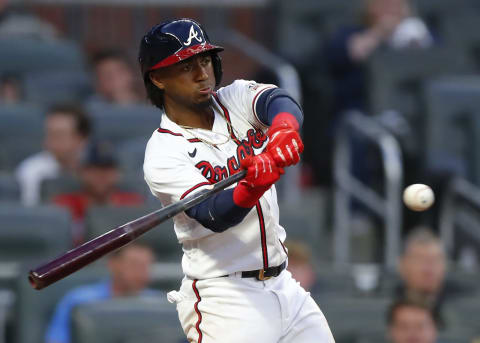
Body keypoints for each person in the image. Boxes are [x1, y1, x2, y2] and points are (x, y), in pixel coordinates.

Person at [140, 18, 335, 342]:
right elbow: (213, 214)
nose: (202, 73)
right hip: (224, 297)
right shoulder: (163, 151)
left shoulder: (234, 98)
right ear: (158, 78)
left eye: (204, 60)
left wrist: (284, 128)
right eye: (186, 65)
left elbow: (278, 101)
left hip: (284, 284)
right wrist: (251, 187)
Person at [45, 242, 155, 343]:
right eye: (134, 265)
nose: (141, 273)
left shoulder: (158, 305)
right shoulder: (79, 301)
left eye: (146, 266)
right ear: (113, 264)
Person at [53, 140, 144, 244]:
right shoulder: (64, 206)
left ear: (118, 173)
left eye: (107, 168)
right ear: (80, 172)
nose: (101, 175)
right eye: (94, 168)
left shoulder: (133, 204)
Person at [15, 104, 90, 206]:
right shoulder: (31, 170)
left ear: (80, 139)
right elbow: (31, 212)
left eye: (58, 135)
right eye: (49, 134)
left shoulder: (97, 168)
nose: (49, 142)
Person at [395, 227, 470, 328]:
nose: (429, 268)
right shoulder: (387, 302)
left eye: (436, 259)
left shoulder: (466, 300)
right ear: (403, 265)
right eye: (420, 260)